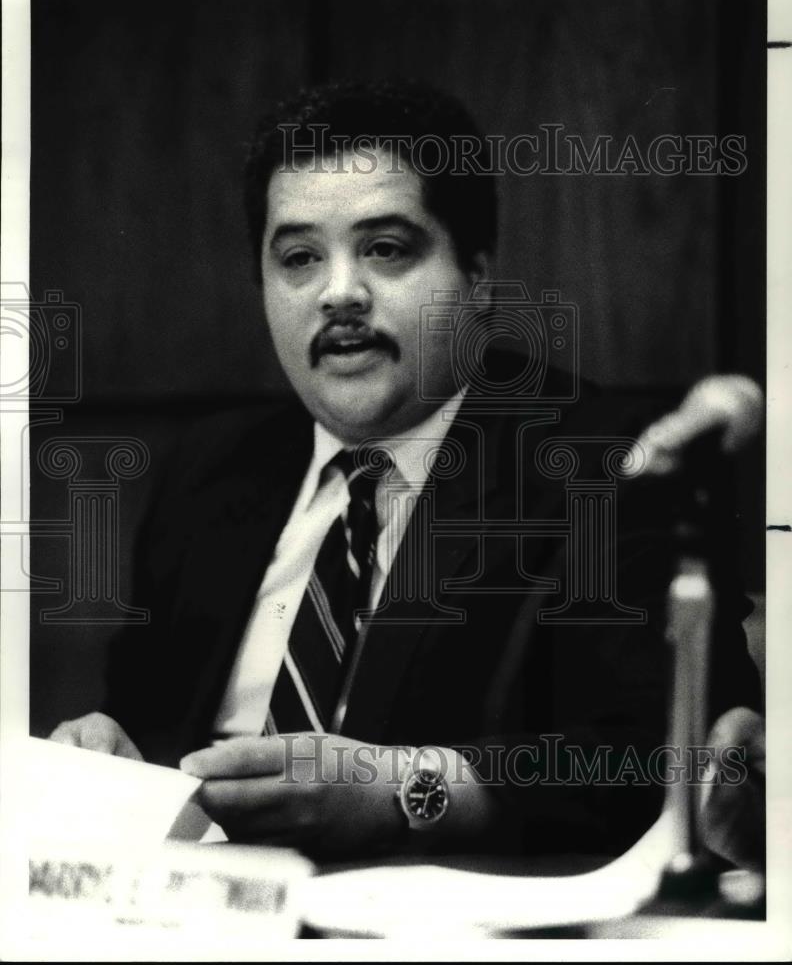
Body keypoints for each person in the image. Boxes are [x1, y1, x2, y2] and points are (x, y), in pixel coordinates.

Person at [51, 79, 763, 865]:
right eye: (298, 259)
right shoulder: (208, 471)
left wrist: (406, 793)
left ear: (477, 273)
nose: (340, 293)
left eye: (386, 249)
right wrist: (107, 759)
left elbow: (662, 758)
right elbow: (147, 729)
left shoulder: (605, 464)